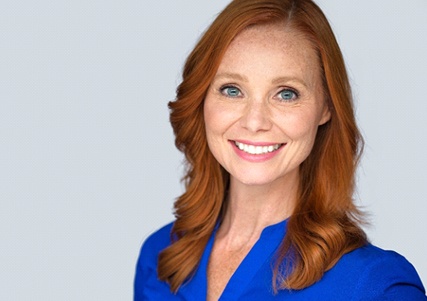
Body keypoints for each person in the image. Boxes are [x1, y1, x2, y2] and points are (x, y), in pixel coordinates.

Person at [134, 0, 427, 300]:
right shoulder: (160, 258)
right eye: (232, 90)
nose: (254, 121)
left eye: (286, 94)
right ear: (202, 99)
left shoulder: (374, 286)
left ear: (326, 106)